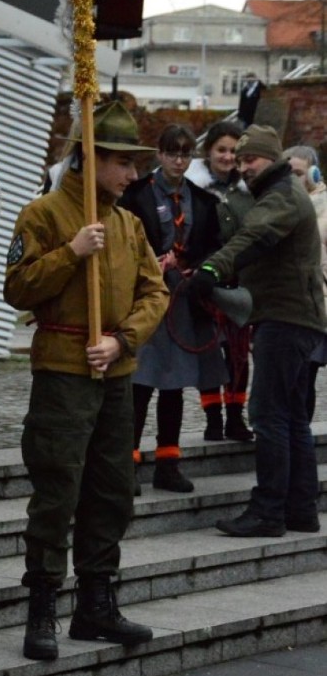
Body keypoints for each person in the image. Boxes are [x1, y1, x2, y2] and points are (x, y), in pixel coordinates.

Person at [4, 100, 167, 662]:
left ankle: (96, 602)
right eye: (122, 162)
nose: (132, 174)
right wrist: (71, 254)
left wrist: (122, 340)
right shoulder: (44, 215)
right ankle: (43, 605)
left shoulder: (128, 223)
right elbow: (19, 289)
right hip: (63, 372)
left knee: (111, 490)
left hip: (114, 370)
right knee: (57, 489)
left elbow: (155, 292)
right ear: (91, 157)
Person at [188, 125, 327, 537]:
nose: (244, 166)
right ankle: (301, 510)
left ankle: (268, 511)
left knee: (268, 416)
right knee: (291, 419)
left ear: (273, 159)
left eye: (252, 159)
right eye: (241, 159)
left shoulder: (281, 196)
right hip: (296, 319)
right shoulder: (278, 192)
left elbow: (254, 235)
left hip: (285, 320)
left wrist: (212, 268)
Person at [121, 124, 226, 493]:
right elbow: (121, 243)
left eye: (186, 154)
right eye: (172, 153)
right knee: (140, 385)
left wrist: (198, 268)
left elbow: (214, 245)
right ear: (159, 154)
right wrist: (149, 262)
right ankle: (127, 465)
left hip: (183, 301)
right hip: (145, 299)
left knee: (175, 385)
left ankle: (168, 463)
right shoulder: (135, 195)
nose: (179, 161)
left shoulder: (202, 199)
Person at [186, 120, 255, 441]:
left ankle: (235, 417)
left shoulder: (249, 191)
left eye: (233, 151)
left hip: (240, 282)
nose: (227, 157)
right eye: (221, 150)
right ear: (209, 152)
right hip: (204, 283)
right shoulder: (194, 190)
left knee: (239, 355)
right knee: (210, 353)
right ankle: (213, 417)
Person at [282, 145, 327, 420]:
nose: (292, 179)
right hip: (287, 303)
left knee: (304, 377)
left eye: (298, 173)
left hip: (315, 303)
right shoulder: (282, 202)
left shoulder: (320, 207)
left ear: (313, 173)